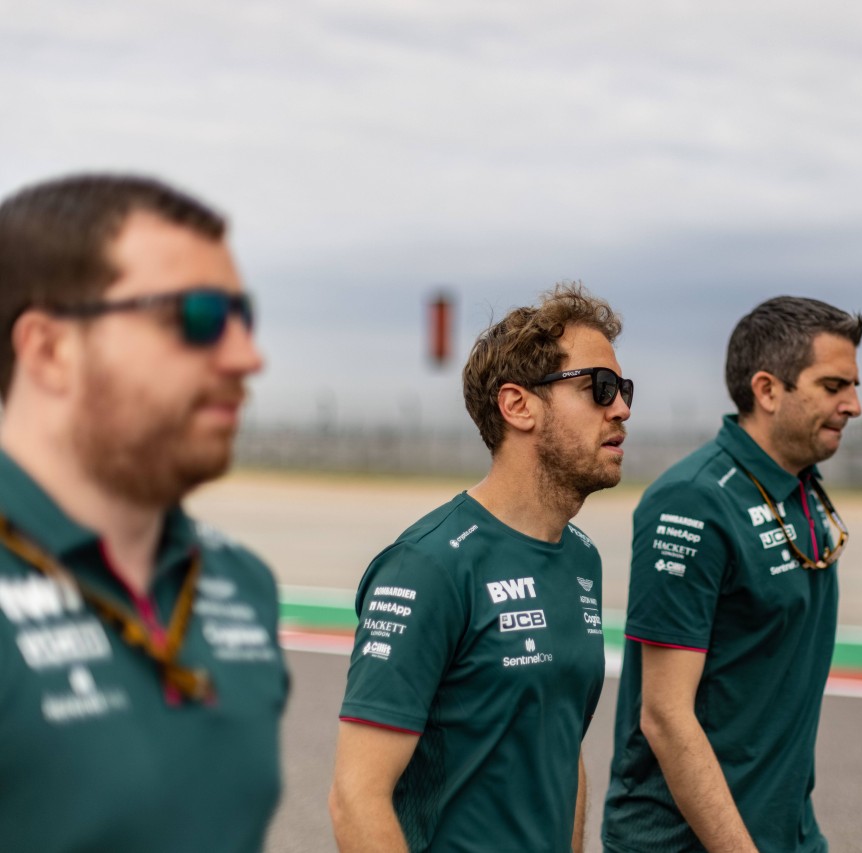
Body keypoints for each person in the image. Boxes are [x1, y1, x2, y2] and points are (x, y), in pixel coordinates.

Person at [0, 174, 286, 852]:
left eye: (246, 317)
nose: (247, 356)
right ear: (49, 349)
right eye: (198, 317)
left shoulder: (241, 583)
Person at [329, 282, 633, 853]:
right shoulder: (426, 566)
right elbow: (356, 798)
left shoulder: (582, 559)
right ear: (518, 405)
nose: (621, 407)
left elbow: (561, 750)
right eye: (600, 387)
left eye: (624, 389)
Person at [603, 296, 862, 853]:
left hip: (787, 831)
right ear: (768, 390)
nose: (854, 405)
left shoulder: (802, 489)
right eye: (834, 386)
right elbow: (665, 718)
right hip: (689, 842)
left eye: (853, 386)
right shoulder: (693, 501)